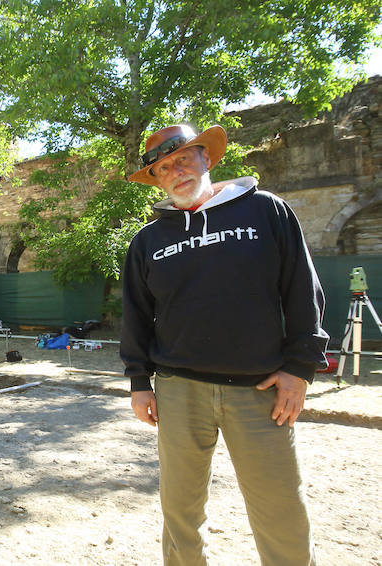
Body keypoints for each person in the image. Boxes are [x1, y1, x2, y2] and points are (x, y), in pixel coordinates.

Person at [121, 124, 329, 566]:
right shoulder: (147, 241)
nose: (174, 171)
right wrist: (139, 381)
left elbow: (301, 290)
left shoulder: (266, 211)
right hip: (178, 392)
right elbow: (136, 316)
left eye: (182, 159)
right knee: (180, 514)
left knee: (281, 511)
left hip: (260, 391)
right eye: (162, 168)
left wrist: (300, 369)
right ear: (155, 180)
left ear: (206, 159)